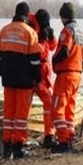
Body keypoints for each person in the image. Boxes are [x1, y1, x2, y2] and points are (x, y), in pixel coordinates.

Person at [0, 2, 41, 159]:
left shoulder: (4, 30)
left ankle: (6, 148)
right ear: (27, 16)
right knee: (21, 115)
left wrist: (2, 73)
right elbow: (35, 61)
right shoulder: (30, 33)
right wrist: (37, 78)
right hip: (24, 81)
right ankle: (18, 147)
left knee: (8, 114)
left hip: (8, 80)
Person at [51, 2, 83, 153]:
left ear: (62, 16)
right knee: (69, 110)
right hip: (77, 75)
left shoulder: (67, 31)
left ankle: (64, 141)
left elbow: (64, 50)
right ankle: (69, 139)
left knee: (57, 109)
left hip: (65, 75)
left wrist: (53, 60)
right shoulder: (81, 33)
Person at [28, 9, 58, 148]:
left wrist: (51, 37)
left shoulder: (44, 27)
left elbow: (52, 47)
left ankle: (49, 135)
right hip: (32, 70)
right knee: (24, 105)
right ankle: (19, 139)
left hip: (43, 71)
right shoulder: (29, 26)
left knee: (49, 103)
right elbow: (31, 48)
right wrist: (41, 40)